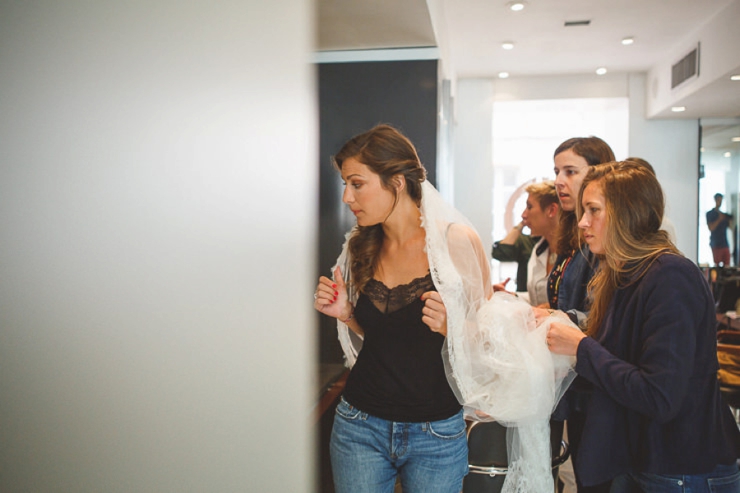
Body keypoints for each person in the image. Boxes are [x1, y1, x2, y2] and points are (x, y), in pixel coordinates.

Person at [314, 124, 576, 493]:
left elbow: (488, 340)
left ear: (397, 182)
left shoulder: (455, 241)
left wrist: (452, 326)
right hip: (360, 423)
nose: (346, 197)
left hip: (435, 433)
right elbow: (379, 336)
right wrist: (346, 313)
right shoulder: (360, 245)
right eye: (345, 184)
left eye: (356, 184)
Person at [545, 161, 740, 491]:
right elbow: (620, 362)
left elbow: (659, 395)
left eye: (593, 210)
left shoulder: (670, 276)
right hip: (643, 458)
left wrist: (579, 347)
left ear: (627, 214)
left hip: (680, 467)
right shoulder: (624, 276)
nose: (582, 222)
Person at [548, 136, 616, 493]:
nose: (559, 180)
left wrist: (554, 320)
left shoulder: (604, 243)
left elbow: (605, 314)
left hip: (596, 384)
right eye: (557, 171)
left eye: (570, 171)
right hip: (573, 383)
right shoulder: (572, 236)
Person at [494, 181, 559, 307]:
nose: (523, 215)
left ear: (551, 210)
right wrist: (511, 296)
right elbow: (536, 298)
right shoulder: (538, 250)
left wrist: (550, 308)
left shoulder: (574, 255)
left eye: (529, 207)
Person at [491, 221, 537, 293]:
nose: (524, 215)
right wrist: (521, 225)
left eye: (529, 209)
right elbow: (499, 253)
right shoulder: (525, 241)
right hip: (524, 298)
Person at [707, 192, 733, 266]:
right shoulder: (710, 214)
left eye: (721, 200)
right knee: (717, 267)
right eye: (718, 200)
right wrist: (719, 219)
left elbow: (730, 227)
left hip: (725, 243)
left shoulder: (724, 215)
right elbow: (711, 228)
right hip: (716, 243)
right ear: (715, 200)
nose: (720, 202)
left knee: (727, 265)